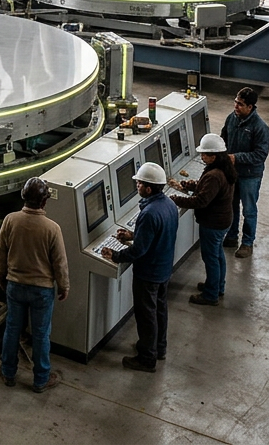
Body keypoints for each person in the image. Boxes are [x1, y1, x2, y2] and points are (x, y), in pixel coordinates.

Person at [101, 162, 178, 371]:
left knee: (146, 316)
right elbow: (156, 234)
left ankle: (146, 358)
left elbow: (139, 251)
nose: (137, 186)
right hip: (164, 269)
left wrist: (115, 255)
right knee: (160, 310)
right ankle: (158, 348)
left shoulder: (149, 212)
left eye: (140, 184)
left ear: (149, 188)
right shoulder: (169, 205)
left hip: (149, 273)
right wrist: (133, 235)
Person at [0, 177, 69, 393]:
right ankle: (41, 380)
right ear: (44, 202)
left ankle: (8, 372)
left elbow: (1, 254)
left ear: (24, 198)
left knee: (12, 329)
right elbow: (60, 263)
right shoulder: (52, 228)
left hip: (15, 285)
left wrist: (2, 277)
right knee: (40, 334)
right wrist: (64, 286)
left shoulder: (10, 220)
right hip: (42, 290)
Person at [172, 134, 236, 305]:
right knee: (217, 255)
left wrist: (175, 199)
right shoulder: (224, 168)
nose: (202, 157)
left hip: (213, 223)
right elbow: (206, 188)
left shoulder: (214, 175)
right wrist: (187, 185)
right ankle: (217, 286)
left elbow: (201, 200)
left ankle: (211, 295)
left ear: (214, 156)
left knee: (210, 258)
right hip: (223, 220)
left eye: (205, 154)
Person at [221, 86, 269, 259]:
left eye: (240, 104)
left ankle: (247, 243)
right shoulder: (231, 119)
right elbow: (223, 139)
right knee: (231, 205)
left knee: (249, 210)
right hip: (233, 173)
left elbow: (260, 155)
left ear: (250, 107)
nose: (236, 106)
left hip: (250, 175)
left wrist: (236, 158)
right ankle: (232, 236)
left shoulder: (260, 127)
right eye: (235, 102)